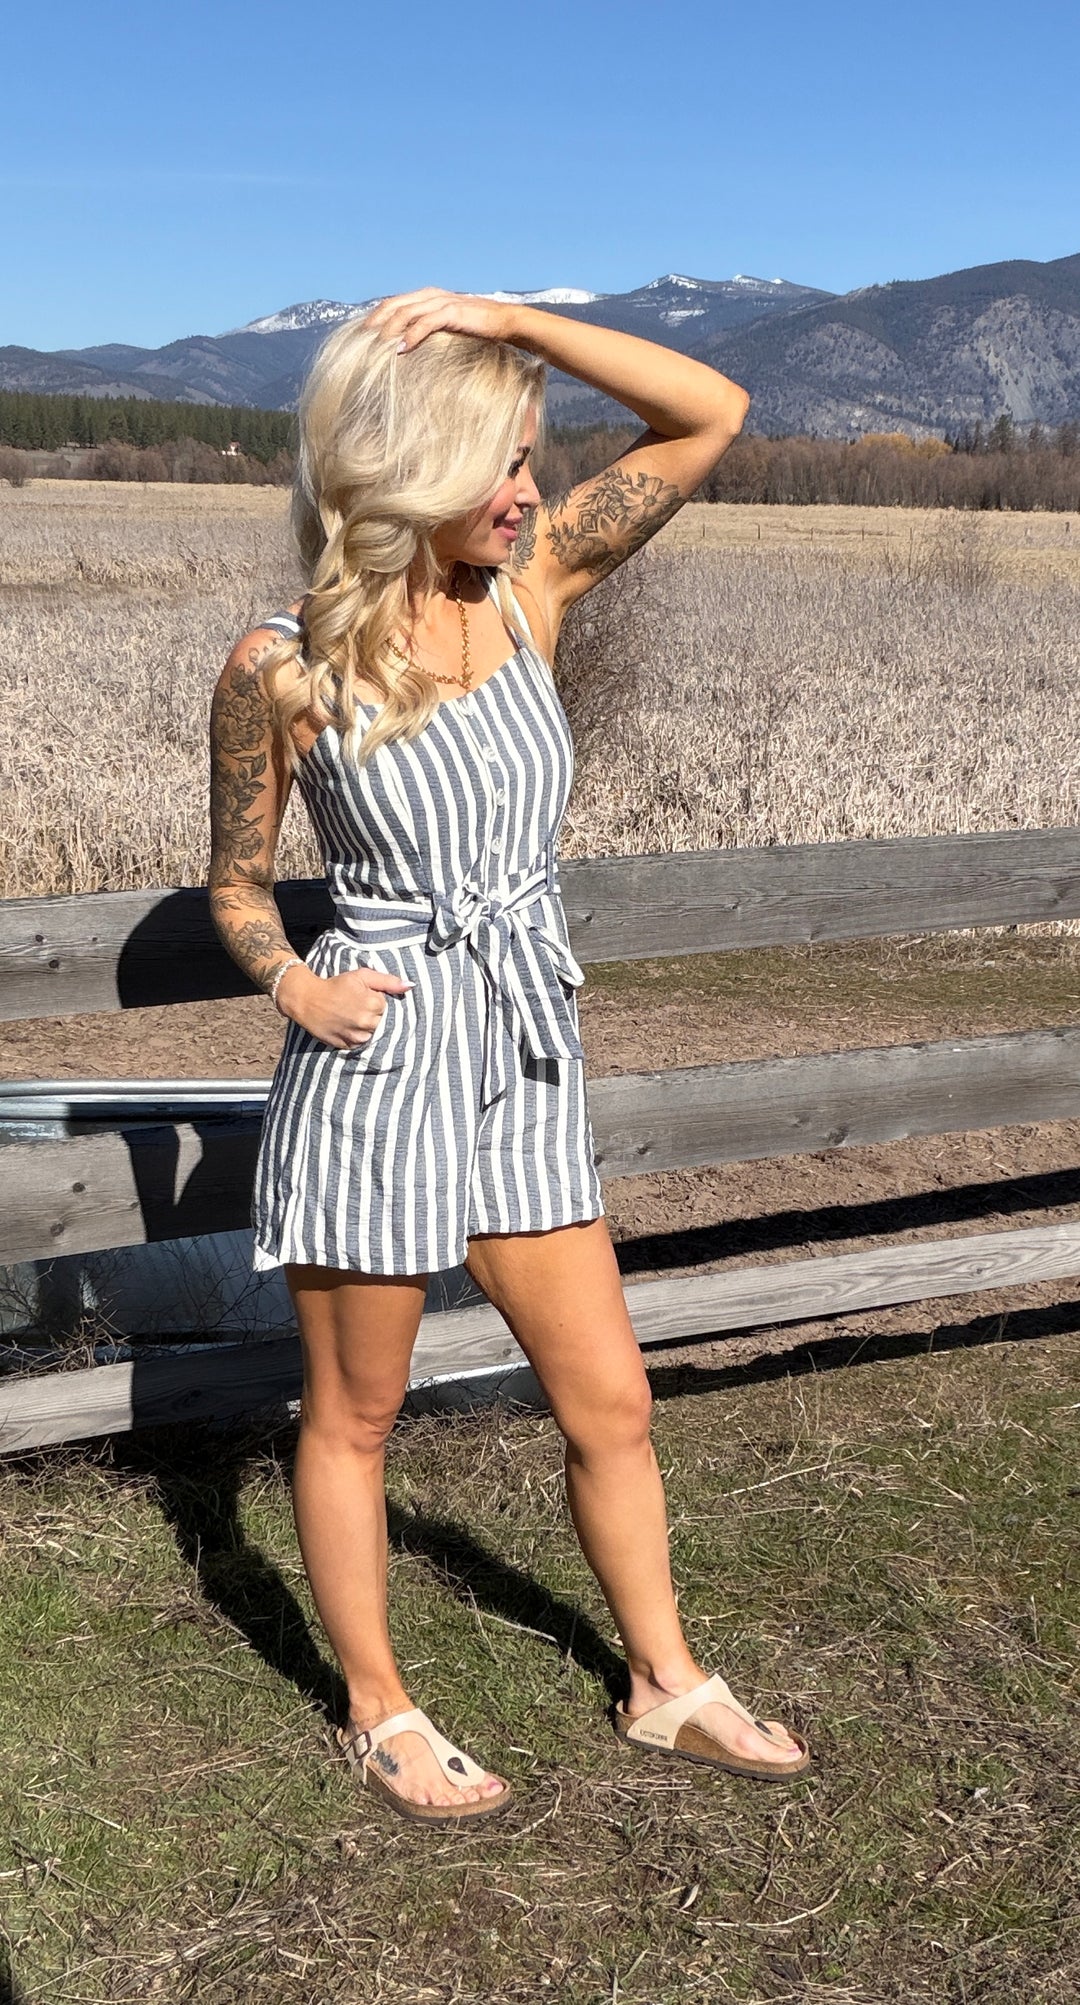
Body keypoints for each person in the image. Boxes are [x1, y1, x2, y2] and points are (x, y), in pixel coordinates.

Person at [208, 288, 809, 1826]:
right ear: (406, 468)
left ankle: (665, 1681)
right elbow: (237, 884)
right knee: (356, 1412)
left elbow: (711, 413)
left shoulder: (535, 590)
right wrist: (293, 984)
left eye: (533, 457)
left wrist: (512, 319)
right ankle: (379, 1706)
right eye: (503, 461)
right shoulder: (281, 665)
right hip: (381, 1052)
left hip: (525, 1044)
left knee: (610, 1397)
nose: (531, 491)